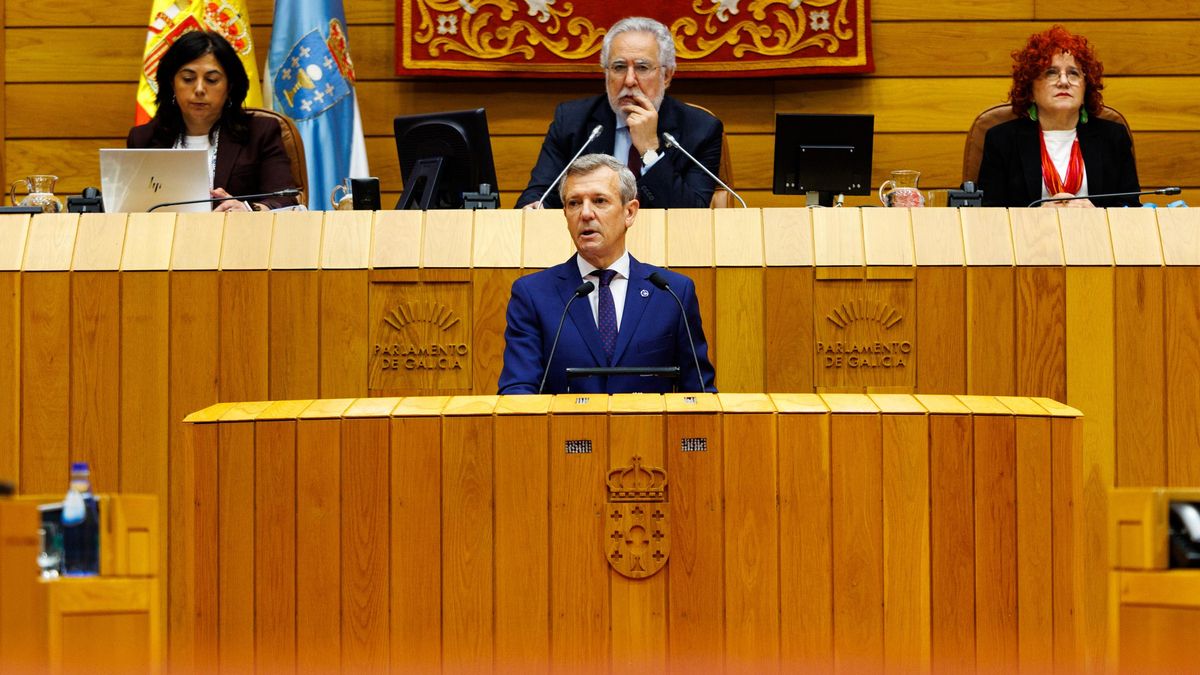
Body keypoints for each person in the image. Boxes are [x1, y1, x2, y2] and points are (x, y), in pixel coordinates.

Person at [499, 154, 716, 395]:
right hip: (565, 431)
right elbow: (517, 392)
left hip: (648, 431)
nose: (585, 214)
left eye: (599, 201)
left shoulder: (672, 292)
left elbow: (699, 393)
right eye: (574, 203)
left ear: (630, 212)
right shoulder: (533, 294)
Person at [516, 17, 723, 210]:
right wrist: (536, 207)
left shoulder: (700, 130)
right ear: (606, 73)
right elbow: (538, 194)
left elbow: (692, 216)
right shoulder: (572, 121)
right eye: (619, 67)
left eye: (642, 67)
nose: (629, 80)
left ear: (667, 75)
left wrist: (650, 152)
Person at [127, 30, 299, 211]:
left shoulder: (260, 133)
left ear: (229, 86)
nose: (199, 89)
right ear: (172, 83)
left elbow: (285, 199)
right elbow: (128, 207)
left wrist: (249, 210)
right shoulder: (143, 139)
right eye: (188, 79)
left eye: (211, 80)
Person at [978, 25, 1139, 208]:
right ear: (1030, 89)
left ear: (1086, 87)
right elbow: (988, 215)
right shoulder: (1002, 140)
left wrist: (1098, 215)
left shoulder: (1113, 138)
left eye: (1073, 73)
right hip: (1029, 236)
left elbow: (1131, 209)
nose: (1063, 82)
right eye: (1051, 73)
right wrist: (1035, 216)